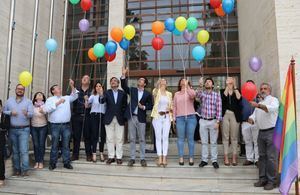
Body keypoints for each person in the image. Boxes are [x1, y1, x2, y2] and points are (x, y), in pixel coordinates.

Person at [248, 83, 279, 191]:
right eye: (261, 89)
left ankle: (272, 181)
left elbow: (271, 109)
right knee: (262, 157)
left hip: (272, 132)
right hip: (261, 133)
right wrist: (251, 119)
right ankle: (263, 179)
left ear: (269, 90)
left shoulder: (273, 100)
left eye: (265, 88)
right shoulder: (260, 102)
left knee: (271, 158)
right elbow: (254, 115)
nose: (262, 90)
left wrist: (258, 105)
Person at [121, 67, 153, 167]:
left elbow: (151, 106)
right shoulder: (132, 90)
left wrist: (143, 107)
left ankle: (142, 158)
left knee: (142, 138)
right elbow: (124, 86)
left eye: (142, 80)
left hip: (141, 118)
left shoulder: (148, 94)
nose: (139, 80)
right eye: (139, 79)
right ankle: (132, 158)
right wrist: (123, 75)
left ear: (145, 84)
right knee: (132, 138)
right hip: (132, 117)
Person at [44, 80, 78, 170]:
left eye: (59, 88)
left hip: (66, 125)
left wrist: (72, 86)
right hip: (55, 126)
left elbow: (75, 96)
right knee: (54, 144)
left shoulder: (66, 98)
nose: (60, 89)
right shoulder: (50, 99)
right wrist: (58, 102)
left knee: (66, 145)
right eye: (57, 88)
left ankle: (66, 162)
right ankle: (52, 163)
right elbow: (46, 110)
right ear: (53, 91)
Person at [4, 84, 33, 177]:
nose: (20, 90)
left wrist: (26, 114)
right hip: (12, 130)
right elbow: (3, 111)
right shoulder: (9, 101)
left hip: (24, 129)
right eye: (18, 89)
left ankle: (25, 170)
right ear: (15, 90)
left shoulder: (28, 101)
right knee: (15, 151)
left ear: (24, 91)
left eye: (22, 89)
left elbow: (32, 114)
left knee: (24, 150)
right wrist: (10, 112)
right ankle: (17, 170)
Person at [99, 77, 127, 165]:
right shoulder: (107, 92)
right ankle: (111, 156)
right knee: (110, 138)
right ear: (110, 84)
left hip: (120, 118)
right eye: (111, 81)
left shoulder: (122, 93)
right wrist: (101, 95)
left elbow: (125, 106)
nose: (113, 82)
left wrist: (124, 117)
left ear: (118, 83)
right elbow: (101, 101)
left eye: (115, 81)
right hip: (109, 118)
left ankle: (119, 157)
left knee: (119, 139)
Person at [196, 77, 222, 169]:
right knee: (204, 142)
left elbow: (219, 109)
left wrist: (218, 122)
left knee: (214, 142)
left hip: (213, 121)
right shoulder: (203, 94)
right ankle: (204, 160)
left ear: (213, 85)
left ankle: (214, 160)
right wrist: (200, 85)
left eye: (209, 82)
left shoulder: (217, 95)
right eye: (206, 82)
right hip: (203, 120)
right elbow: (197, 95)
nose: (207, 83)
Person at [173, 78, 197, 166]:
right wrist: (174, 118)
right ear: (179, 83)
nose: (183, 81)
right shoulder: (176, 94)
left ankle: (191, 157)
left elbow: (193, 95)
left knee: (190, 139)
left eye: (185, 80)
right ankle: (181, 157)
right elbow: (174, 106)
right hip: (180, 118)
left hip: (191, 117)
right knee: (180, 139)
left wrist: (188, 87)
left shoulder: (190, 91)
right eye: (182, 80)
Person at [151, 79, 173, 167]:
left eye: (164, 81)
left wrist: (170, 108)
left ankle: (164, 157)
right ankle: (159, 157)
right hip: (157, 117)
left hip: (167, 117)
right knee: (158, 137)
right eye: (161, 80)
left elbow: (171, 106)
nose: (163, 81)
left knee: (165, 137)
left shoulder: (169, 94)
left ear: (167, 84)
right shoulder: (156, 91)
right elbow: (155, 93)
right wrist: (157, 85)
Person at [221, 77, 242, 166]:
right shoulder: (222, 90)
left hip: (235, 115)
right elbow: (224, 96)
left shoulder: (237, 90)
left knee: (234, 137)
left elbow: (239, 98)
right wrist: (227, 86)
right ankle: (226, 156)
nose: (229, 81)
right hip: (225, 114)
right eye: (228, 80)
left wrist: (235, 87)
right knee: (225, 136)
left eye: (231, 80)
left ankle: (234, 156)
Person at [71, 75, 92, 161]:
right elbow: (72, 97)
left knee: (87, 136)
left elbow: (94, 104)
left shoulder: (91, 91)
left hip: (87, 116)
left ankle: (89, 154)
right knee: (76, 136)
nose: (84, 78)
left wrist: (88, 103)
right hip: (77, 115)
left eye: (87, 78)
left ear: (89, 82)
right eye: (83, 77)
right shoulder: (77, 90)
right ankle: (75, 155)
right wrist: (72, 86)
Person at [85, 82, 106, 162]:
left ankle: (101, 152)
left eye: (99, 86)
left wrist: (101, 95)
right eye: (96, 86)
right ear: (94, 88)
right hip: (94, 116)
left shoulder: (105, 96)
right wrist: (86, 99)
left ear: (102, 88)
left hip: (102, 116)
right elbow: (87, 106)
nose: (98, 87)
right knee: (94, 134)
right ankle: (94, 153)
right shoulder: (93, 96)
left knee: (102, 135)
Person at [241, 80, 259, 166]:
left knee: (256, 141)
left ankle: (257, 159)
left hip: (255, 123)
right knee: (247, 141)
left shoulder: (258, 98)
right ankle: (249, 158)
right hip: (245, 122)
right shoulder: (241, 98)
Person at [31, 92, 48, 169]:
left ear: (43, 98)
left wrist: (43, 111)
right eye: (38, 94)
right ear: (35, 98)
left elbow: (46, 112)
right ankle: (37, 161)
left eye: (41, 94)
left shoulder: (45, 105)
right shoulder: (32, 106)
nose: (39, 95)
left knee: (41, 144)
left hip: (43, 127)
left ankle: (41, 161)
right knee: (35, 144)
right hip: (34, 127)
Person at [0, 100, 10, 186]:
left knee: (1, 159)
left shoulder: (5, 116)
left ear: (1, 107)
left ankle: (1, 177)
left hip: (1, 140)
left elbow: (6, 126)